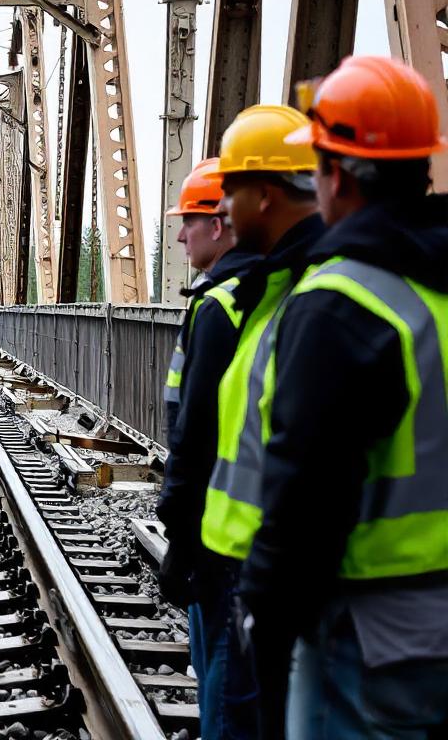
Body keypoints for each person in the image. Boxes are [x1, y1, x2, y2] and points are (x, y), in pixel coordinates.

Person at [238, 55, 448, 738]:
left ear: (335, 174)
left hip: (373, 631)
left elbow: (306, 488)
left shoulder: (341, 303)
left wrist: (265, 612)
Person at [198, 104, 325, 739]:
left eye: (231, 191)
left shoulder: (321, 300)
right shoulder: (277, 291)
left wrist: (267, 587)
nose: (220, 210)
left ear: (267, 194)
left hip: (275, 578)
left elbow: (311, 458)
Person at [155, 156, 260, 739]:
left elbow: (197, 432)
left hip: (223, 530)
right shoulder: (255, 291)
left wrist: (180, 533)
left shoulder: (221, 304)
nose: (178, 234)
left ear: (218, 224)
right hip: (239, 524)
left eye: (187, 222)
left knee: (222, 675)